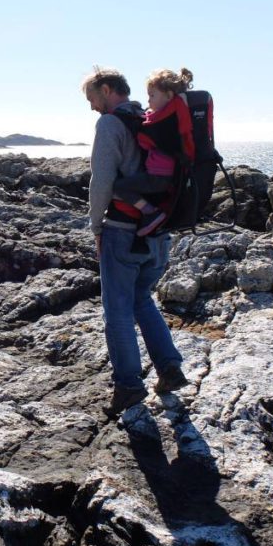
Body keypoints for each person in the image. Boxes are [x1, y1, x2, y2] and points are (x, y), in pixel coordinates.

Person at [81, 67, 188, 416]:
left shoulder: (111, 124)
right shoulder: (152, 118)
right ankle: (169, 368)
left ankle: (128, 386)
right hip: (158, 232)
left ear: (108, 90)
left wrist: (97, 228)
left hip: (124, 233)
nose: (93, 107)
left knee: (118, 313)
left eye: (93, 98)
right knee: (142, 298)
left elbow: (102, 182)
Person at [112, 67, 195, 237]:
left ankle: (151, 212)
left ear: (169, 96)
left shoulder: (163, 121)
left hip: (158, 177)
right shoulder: (176, 115)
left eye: (152, 96)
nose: (148, 101)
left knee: (119, 187)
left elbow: (144, 140)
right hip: (171, 176)